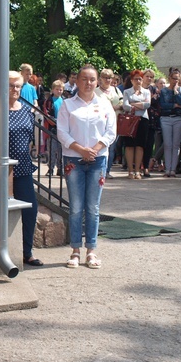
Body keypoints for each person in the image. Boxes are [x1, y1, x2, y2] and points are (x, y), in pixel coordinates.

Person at [57, 64, 116, 270]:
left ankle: (91, 250)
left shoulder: (105, 103)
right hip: (74, 159)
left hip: (98, 159)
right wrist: (81, 149)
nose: (88, 83)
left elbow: (111, 131)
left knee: (93, 207)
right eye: (84, 79)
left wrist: (96, 148)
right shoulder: (67, 104)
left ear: (97, 81)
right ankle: (75, 250)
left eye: (92, 79)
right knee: (76, 207)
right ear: (77, 81)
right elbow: (62, 132)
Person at [8, 72, 42, 267]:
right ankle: (7, 252)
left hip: (23, 167)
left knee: (30, 209)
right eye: (11, 86)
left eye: (18, 86)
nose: (15, 89)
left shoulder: (26, 110)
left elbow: (30, 137)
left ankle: (26, 252)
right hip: (3, 170)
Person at [94, 68, 123, 178]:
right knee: (101, 146)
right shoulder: (96, 91)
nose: (107, 80)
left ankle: (107, 170)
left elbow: (122, 102)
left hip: (115, 122)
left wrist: (117, 107)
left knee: (112, 147)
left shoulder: (116, 90)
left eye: (109, 77)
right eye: (105, 77)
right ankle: (99, 169)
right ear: (100, 79)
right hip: (100, 123)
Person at [122, 70, 151, 179]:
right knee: (129, 145)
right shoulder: (127, 92)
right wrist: (138, 105)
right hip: (130, 120)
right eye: (136, 79)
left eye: (140, 79)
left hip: (143, 120)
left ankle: (138, 170)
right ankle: (130, 170)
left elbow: (147, 105)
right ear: (131, 80)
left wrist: (132, 104)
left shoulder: (146, 92)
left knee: (140, 145)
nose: (138, 81)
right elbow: (125, 106)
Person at [159, 69, 181, 177]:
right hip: (166, 118)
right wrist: (174, 105)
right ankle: (167, 169)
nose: (175, 80)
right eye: (174, 78)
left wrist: (176, 92)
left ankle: (173, 169)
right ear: (169, 78)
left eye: (177, 78)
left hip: (178, 119)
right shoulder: (164, 91)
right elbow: (163, 105)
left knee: (176, 144)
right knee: (167, 144)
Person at [44, 79, 64, 176]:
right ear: (53, 90)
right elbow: (47, 114)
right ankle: (50, 168)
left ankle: (60, 168)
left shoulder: (64, 100)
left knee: (61, 150)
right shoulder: (49, 101)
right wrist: (54, 122)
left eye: (61, 89)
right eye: (57, 89)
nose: (59, 91)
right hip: (52, 128)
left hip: (62, 128)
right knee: (52, 149)